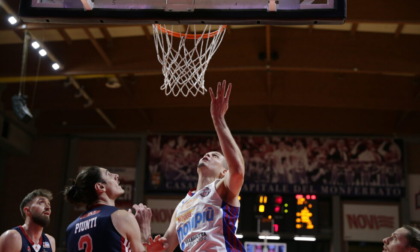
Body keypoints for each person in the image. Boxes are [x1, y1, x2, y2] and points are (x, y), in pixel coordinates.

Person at [155, 80, 246, 251]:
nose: (208, 154)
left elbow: (238, 171)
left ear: (224, 172)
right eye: (207, 153)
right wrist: (145, 233)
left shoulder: (222, 190)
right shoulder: (182, 205)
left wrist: (218, 119)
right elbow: (165, 246)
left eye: (215, 155)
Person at [64, 166, 153, 252]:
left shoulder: (70, 228)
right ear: (100, 187)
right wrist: (144, 231)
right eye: (109, 174)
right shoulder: (121, 217)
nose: (116, 175)